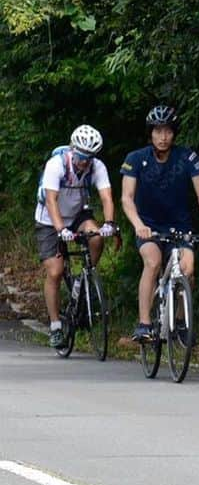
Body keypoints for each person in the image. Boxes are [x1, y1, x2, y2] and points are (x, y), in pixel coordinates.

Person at [120, 105, 199, 342]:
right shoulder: (135, 158)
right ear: (150, 133)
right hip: (148, 226)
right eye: (157, 131)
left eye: (167, 132)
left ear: (174, 133)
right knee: (153, 262)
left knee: (188, 270)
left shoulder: (187, 157)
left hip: (180, 226)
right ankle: (144, 324)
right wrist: (138, 225)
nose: (162, 137)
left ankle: (180, 323)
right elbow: (126, 197)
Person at [34, 125, 120, 348]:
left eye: (89, 157)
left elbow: (107, 197)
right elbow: (51, 200)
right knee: (55, 271)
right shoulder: (56, 165)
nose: (84, 161)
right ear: (73, 150)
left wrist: (109, 223)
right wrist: (61, 229)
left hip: (77, 215)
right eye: (81, 156)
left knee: (96, 237)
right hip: (49, 220)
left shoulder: (96, 166)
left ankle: (84, 279)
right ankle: (55, 327)